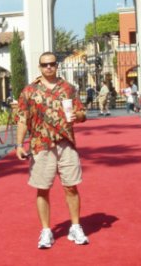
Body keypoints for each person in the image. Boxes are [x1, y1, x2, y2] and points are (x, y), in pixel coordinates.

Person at [16, 51, 89, 249]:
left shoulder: (68, 88)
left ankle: (75, 226)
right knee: (43, 188)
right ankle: (46, 230)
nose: (49, 67)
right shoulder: (29, 91)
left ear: (57, 65)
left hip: (66, 144)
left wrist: (78, 116)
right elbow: (22, 118)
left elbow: (82, 113)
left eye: (52, 64)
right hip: (41, 145)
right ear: (39, 67)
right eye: (45, 64)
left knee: (71, 186)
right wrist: (19, 144)